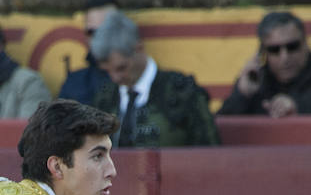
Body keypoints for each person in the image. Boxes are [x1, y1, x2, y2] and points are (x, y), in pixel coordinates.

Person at [88, 10, 219, 147]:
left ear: (138, 48)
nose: (115, 78)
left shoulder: (182, 92)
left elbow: (210, 152)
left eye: (122, 68)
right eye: (107, 71)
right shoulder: (104, 97)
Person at [216, 10, 311, 117]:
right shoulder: (255, 81)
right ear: (263, 53)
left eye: (292, 46)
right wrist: (242, 95)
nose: (285, 57)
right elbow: (221, 129)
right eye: (274, 50)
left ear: (305, 44)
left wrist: (296, 106)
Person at [56, 0, 118, 106]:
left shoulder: (135, 76)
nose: (99, 38)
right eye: (92, 32)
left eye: (105, 30)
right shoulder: (74, 82)